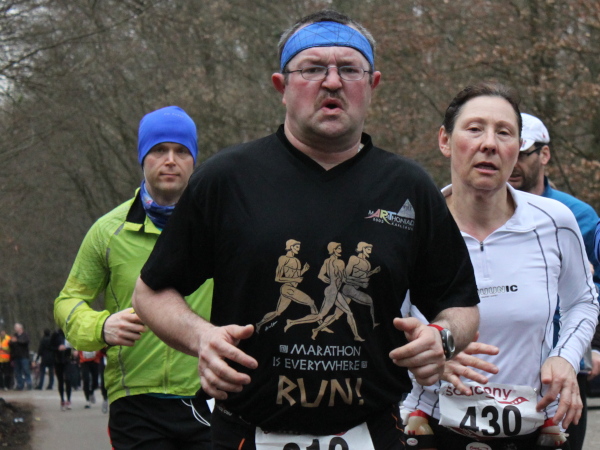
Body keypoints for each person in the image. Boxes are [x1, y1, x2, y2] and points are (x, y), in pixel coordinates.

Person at [132, 10, 481, 449]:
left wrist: (442, 338)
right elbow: (150, 293)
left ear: (372, 84)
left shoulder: (408, 187)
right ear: (282, 86)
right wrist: (202, 337)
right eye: (313, 68)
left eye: (349, 69)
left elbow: (461, 306)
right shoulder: (227, 179)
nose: (332, 82)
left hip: (374, 432)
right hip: (245, 433)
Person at [400, 82, 599, 449]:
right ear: (445, 140)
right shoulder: (411, 226)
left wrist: (565, 358)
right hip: (428, 425)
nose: (489, 143)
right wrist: (428, 358)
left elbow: (583, 302)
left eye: (504, 133)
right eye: (475, 129)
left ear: (517, 147)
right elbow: (377, 324)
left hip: (534, 426)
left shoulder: (555, 220)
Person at [54, 106, 213, 449]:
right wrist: (100, 327)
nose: (170, 160)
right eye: (159, 150)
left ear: (194, 161)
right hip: (135, 402)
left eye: (181, 151)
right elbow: (67, 301)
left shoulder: (219, 226)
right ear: (142, 158)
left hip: (208, 395)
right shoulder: (108, 231)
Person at [508, 112, 600, 450]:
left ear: (544, 154)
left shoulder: (577, 216)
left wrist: (594, 348)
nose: (513, 162)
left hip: (563, 365)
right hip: (500, 363)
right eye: (509, 150)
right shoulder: (480, 211)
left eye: (523, 153)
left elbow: (593, 291)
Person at [51, 328, 73, 410]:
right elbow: (50, 347)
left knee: (68, 379)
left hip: (67, 360)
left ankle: (69, 400)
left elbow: (74, 344)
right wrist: (57, 348)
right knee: (60, 381)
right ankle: (62, 400)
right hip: (58, 360)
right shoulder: (55, 334)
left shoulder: (69, 334)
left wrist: (70, 349)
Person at [10, 323, 32, 390]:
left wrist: (17, 341)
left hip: (24, 356)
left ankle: (29, 384)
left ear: (20, 328)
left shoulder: (25, 335)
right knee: (17, 372)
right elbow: (10, 343)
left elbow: (25, 342)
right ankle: (20, 385)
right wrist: (11, 342)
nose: (15, 329)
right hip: (16, 356)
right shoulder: (14, 335)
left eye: (16, 327)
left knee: (26, 370)